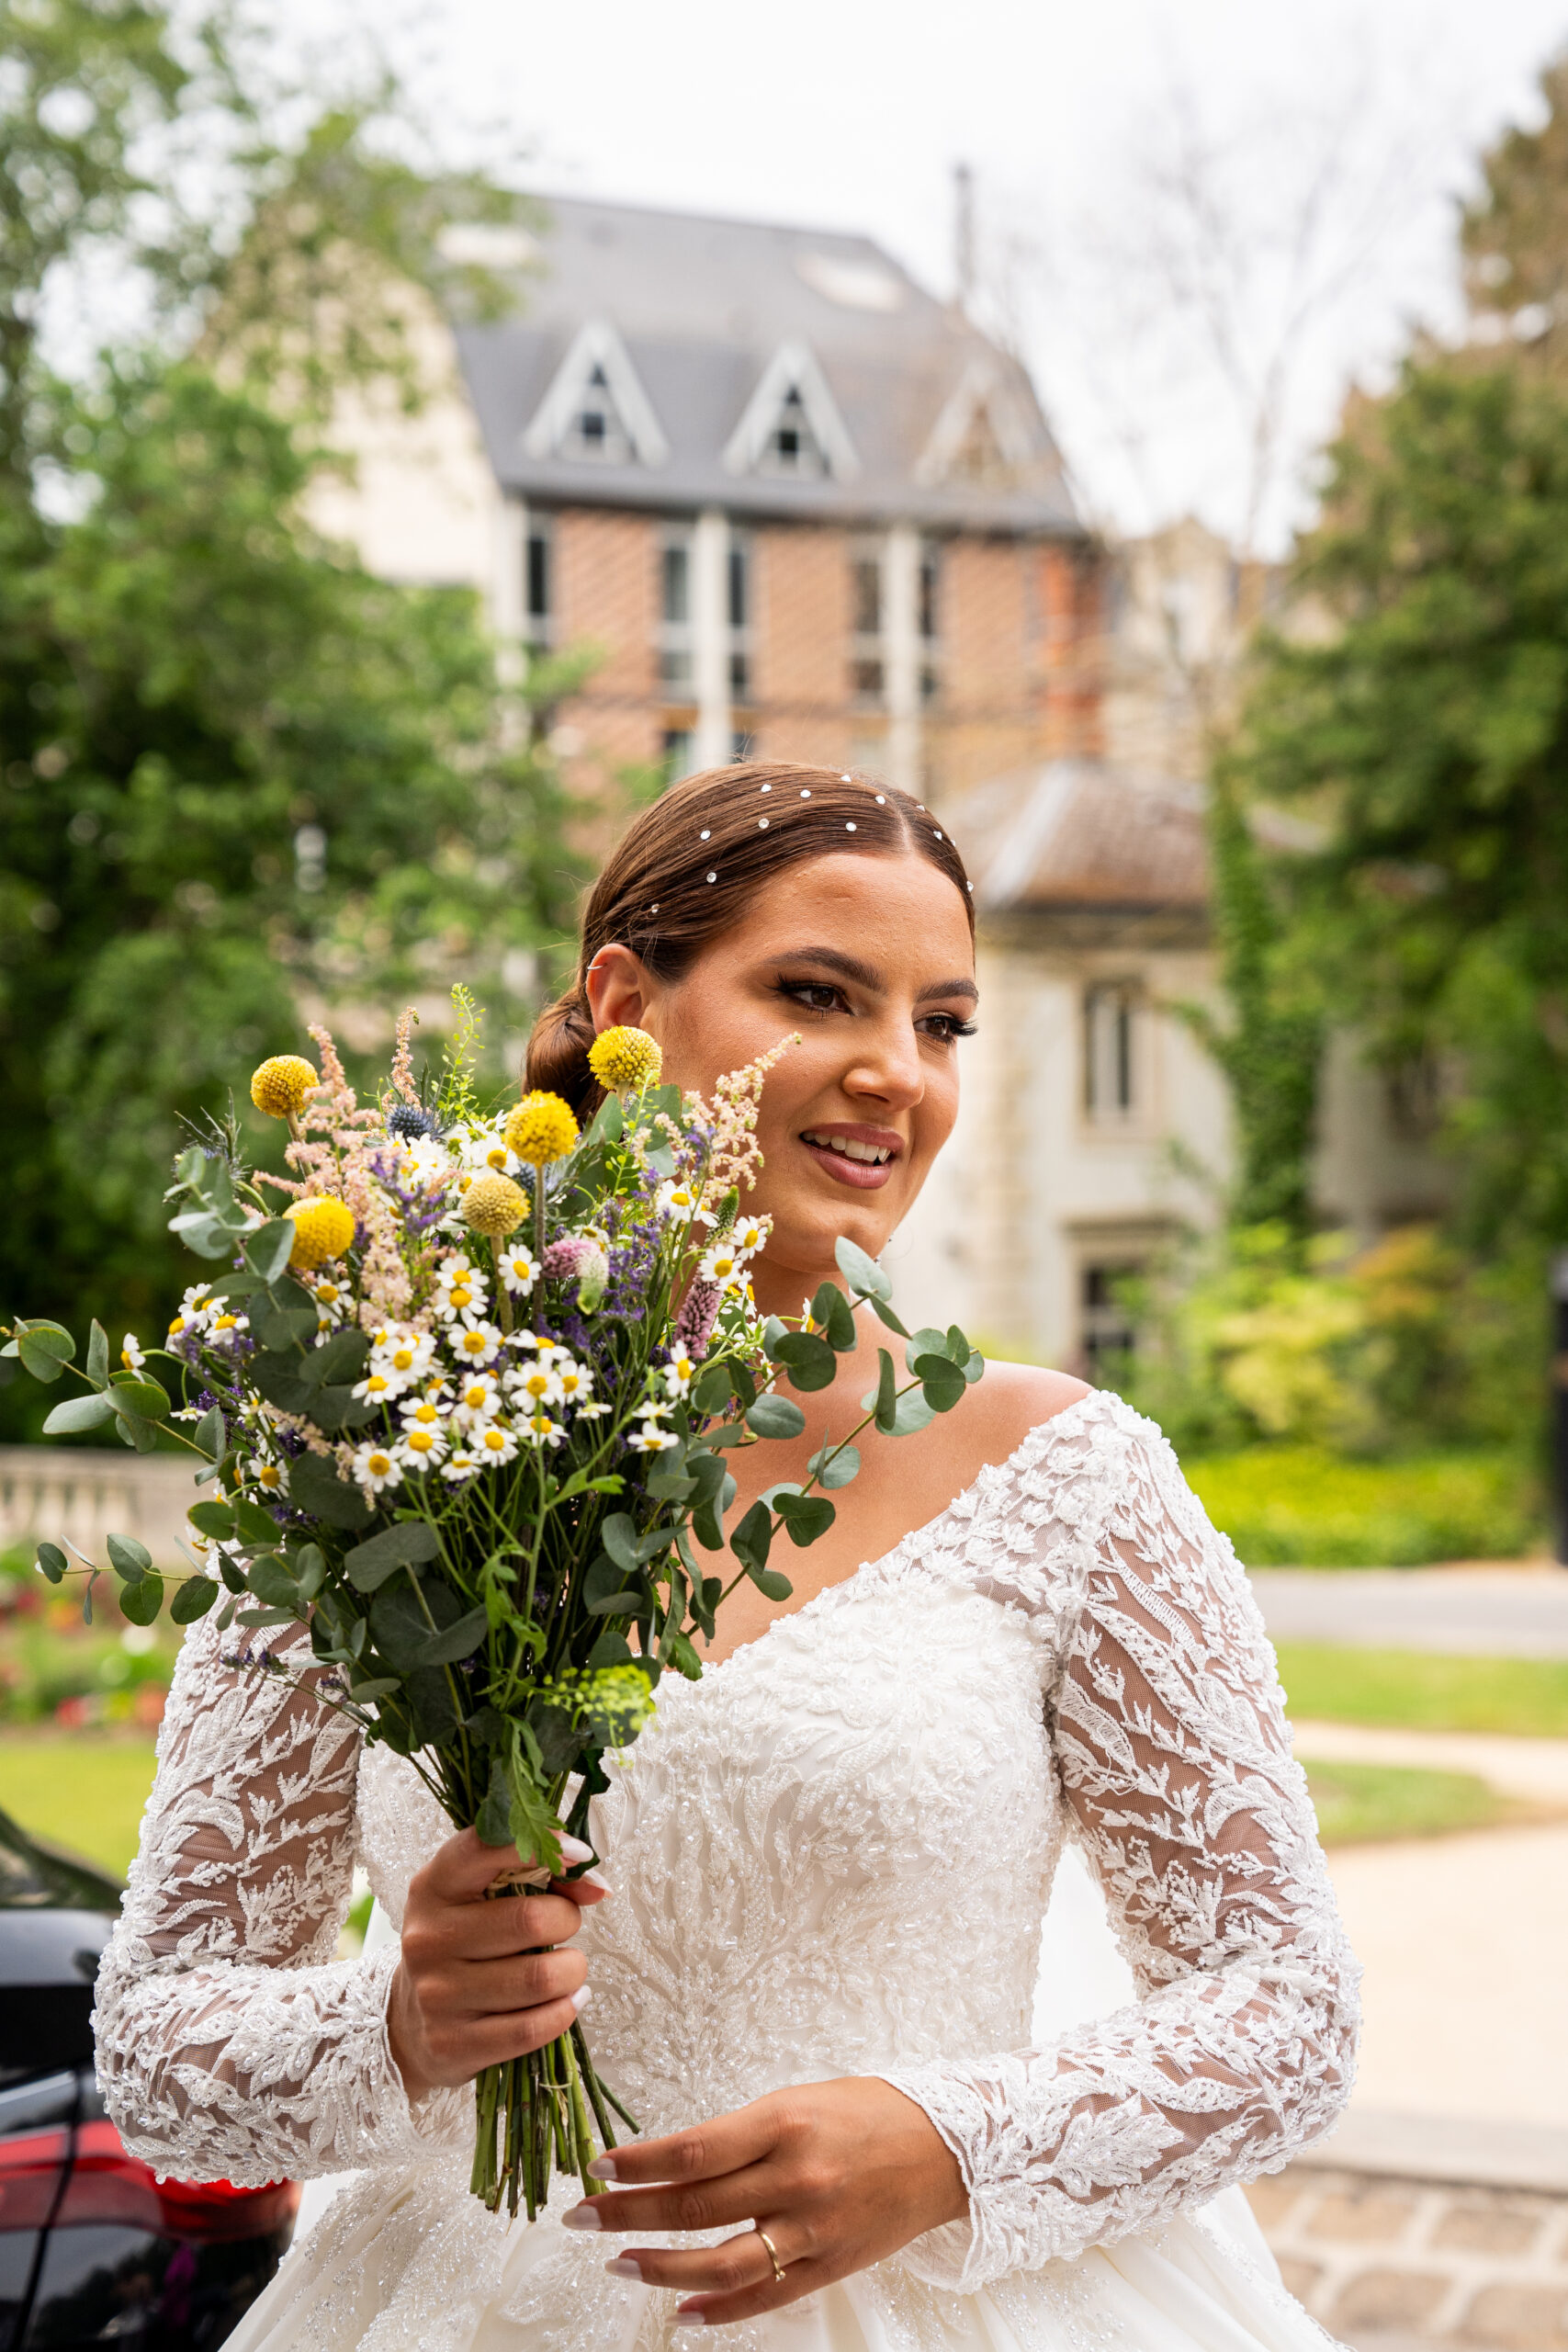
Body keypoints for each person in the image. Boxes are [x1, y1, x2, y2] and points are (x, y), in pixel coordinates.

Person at [96, 763, 1360, 2352]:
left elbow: (1287, 2010)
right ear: (629, 1001)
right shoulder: (372, 1441)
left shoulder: (1069, 1475)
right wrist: (401, 2024)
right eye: (818, 993)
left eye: (944, 1021)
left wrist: (954, 2147)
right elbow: (159, 2054)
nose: (896, 1073)